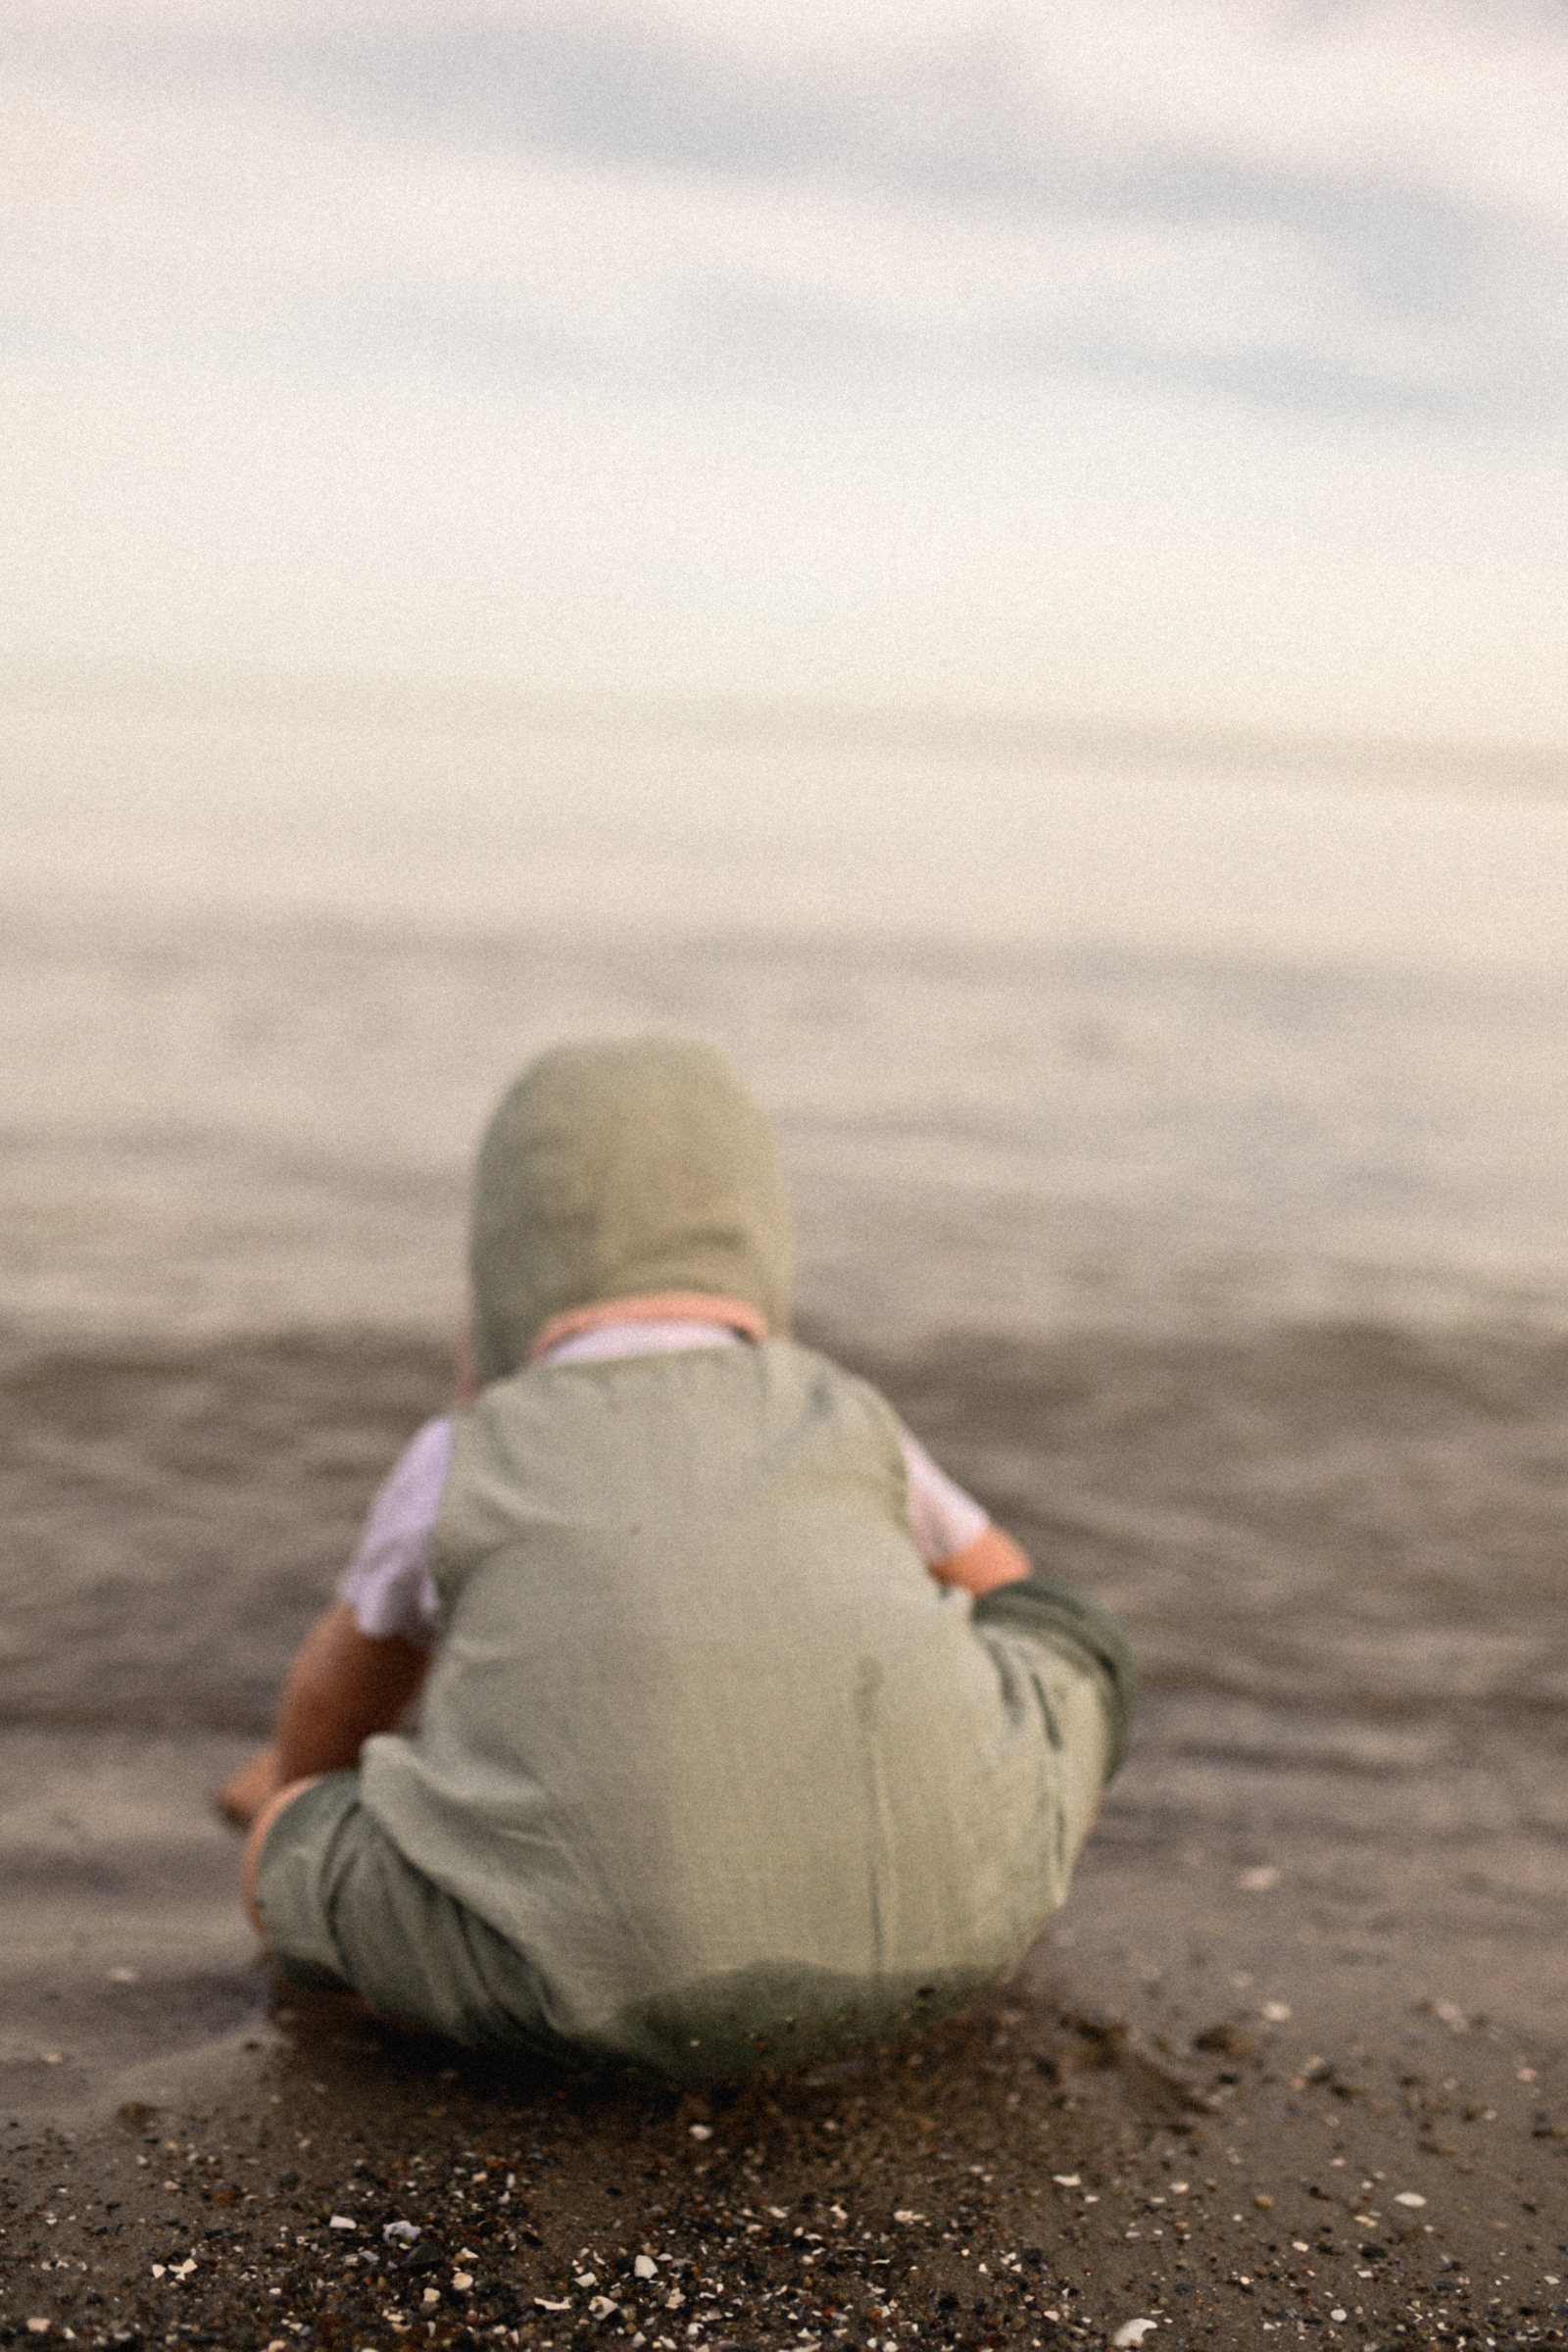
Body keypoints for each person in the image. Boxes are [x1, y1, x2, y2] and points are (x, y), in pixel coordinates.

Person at [223, 1037, 1136, 2079]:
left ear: (498, 1269)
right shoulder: (844, 1411)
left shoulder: (460, 1453)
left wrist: (294, 1792)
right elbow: (1019, 1602)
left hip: (563, 1988)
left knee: (288, 1841)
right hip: (952, 1944)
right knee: (1074, 1646)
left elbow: (339, 1700)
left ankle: (426, 1986)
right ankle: (982, 1858)